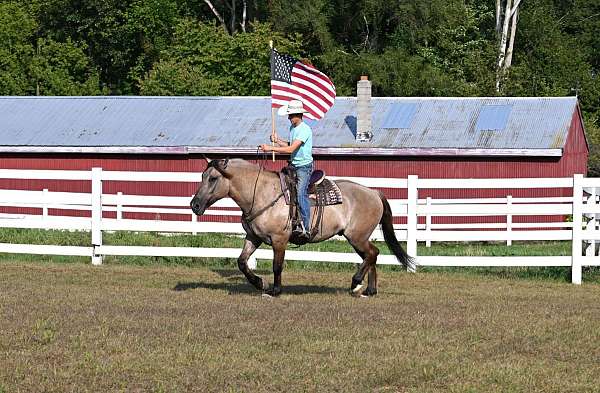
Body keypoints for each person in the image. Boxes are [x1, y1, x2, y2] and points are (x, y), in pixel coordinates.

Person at [260, 100, 313, 240]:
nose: (289, 118)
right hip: (294, 166)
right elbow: (290, 144)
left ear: (298, 115)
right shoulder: (293, 129)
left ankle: (307, 228)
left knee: (301, 194)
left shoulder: (305, 129)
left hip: (303, 167)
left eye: (291, 115)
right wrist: (277, 141)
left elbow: (291, 149)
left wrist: (271, 148)